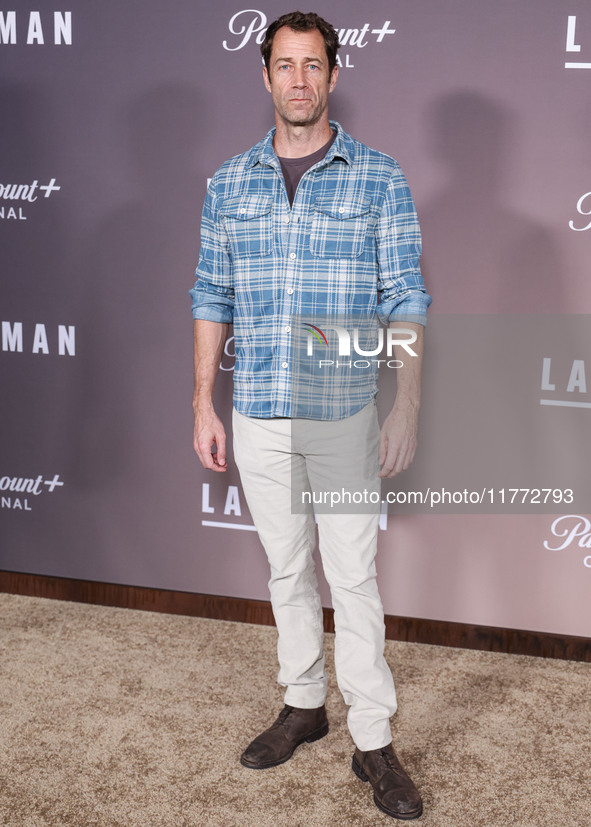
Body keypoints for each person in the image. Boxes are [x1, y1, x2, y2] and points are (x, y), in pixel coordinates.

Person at [190, 11, 431, 821]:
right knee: (287, 569)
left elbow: (404, 294)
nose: (299, 80)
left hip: (342, 412)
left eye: (312, 65)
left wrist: (407, 402)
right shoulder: (228, 182)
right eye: (284, 65)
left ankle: (372, 738)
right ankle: (303, 703)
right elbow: (209, 295)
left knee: (352, 576)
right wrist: (202, 399)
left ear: (333, 74)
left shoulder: (378, 176)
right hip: (256, 409)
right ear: (264, 76)